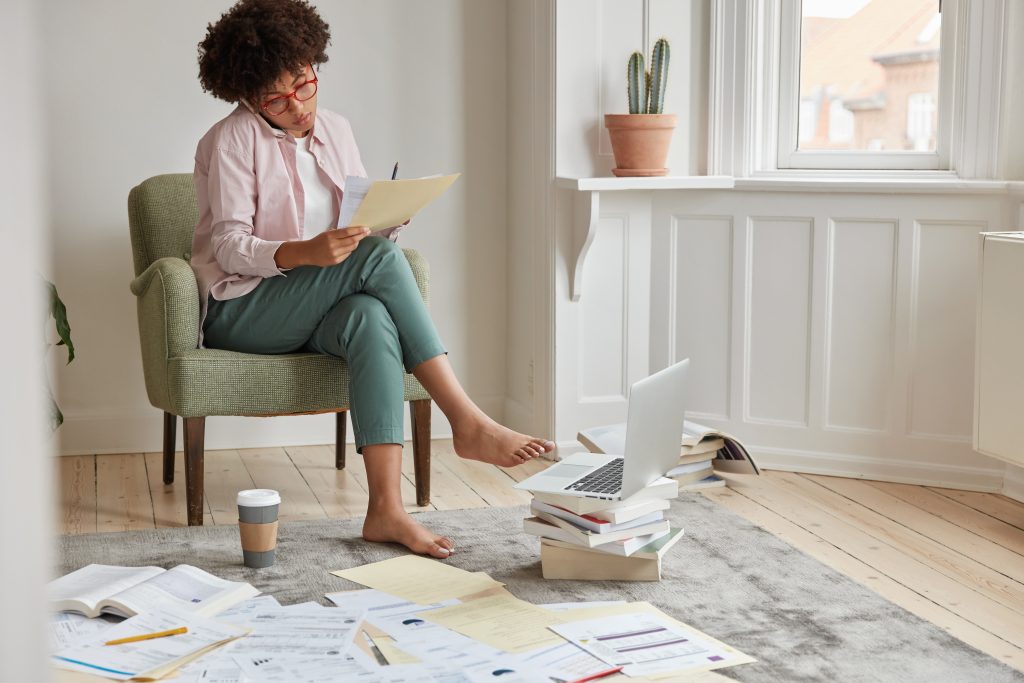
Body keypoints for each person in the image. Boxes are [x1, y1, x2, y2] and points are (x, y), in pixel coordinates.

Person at [192, 0, 555, 559]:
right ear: (246, 97)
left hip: (316, 303)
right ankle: (468, 420)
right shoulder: (231, 139)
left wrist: (386, 221)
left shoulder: (337, 130)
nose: (297, 107)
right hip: (244, 308)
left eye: (304, 85)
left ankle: (386, 509)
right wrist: (302, 251)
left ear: (314, 64)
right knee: (380, 267)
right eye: (276, 100)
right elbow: (229, 247)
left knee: (369, 316)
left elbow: (355, 230)